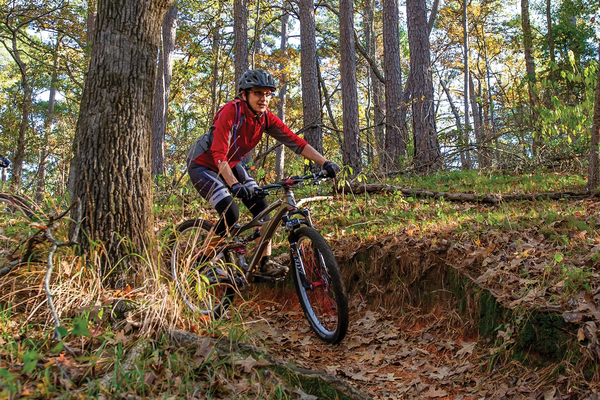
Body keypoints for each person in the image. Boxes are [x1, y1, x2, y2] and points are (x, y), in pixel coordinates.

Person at [187, 69, 340, 277]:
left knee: (262, 207)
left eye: (268, 94)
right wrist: (233, 185)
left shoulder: (265, 118)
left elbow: (295, 142)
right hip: (203, 164)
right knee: (230, 212)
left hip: (230, 163)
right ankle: (199, 262)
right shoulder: (231, 112)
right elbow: (219, 153)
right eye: (258, 93)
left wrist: (325, 162)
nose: (264, 99)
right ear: (244, 95)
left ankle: (265, 262)